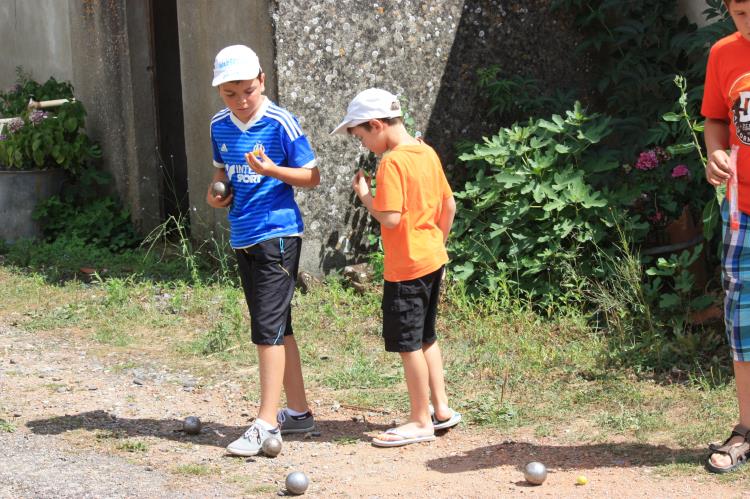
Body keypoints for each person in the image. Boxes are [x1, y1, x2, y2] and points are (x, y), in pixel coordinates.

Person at [206, 44, 320, 456]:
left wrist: (272, 170)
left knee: (266, 330)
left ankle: (266, 422)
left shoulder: (280, 122)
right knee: (278, 326)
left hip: (278, 235)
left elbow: (311, 175)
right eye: (230, 94)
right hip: (243, 235)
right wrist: (217, 193)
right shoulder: (220, 125)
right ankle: (300, 414)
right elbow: (221, 171)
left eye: (247, 91)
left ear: (262, 81)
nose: (240, 101)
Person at [331, 88, 461, 446]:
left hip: (406, 268)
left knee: (408, 344)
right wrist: (437, 243)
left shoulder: (391, 162)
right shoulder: (426, 152)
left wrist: (365, 195)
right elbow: (449, 207)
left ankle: (420, 420)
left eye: (361, 137)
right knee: (426, 337)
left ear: (376, 125)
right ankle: (442, 410)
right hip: (433, 258)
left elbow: (389, 217)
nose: (364, 146)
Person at [701, 0, 750, 473]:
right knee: (744, 320)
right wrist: (716, 153)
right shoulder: (723, 54)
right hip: (743, 211)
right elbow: (716, 119)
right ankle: (747, 426)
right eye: (742, 14)